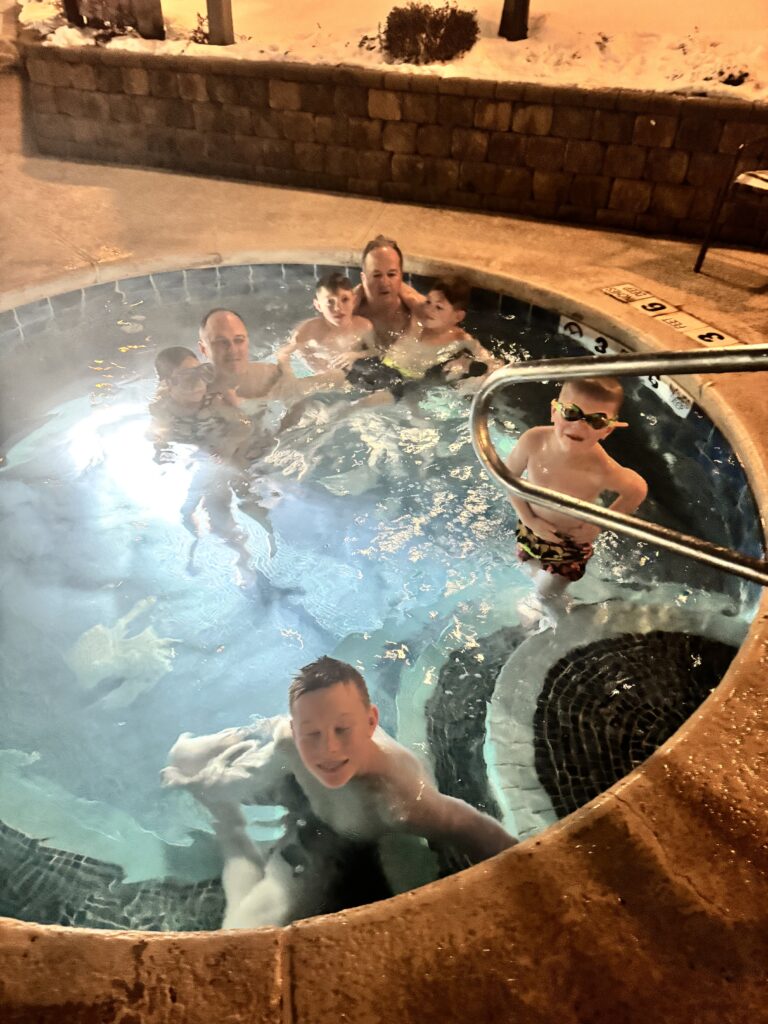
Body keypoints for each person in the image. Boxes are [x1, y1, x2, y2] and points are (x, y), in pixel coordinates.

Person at [162, 656, 516, 928]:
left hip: (344, 838)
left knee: (245, 929)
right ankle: (220, 802)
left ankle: (229, 829)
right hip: (309, 796)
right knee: (189, 763)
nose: (327, 749)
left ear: (371, 721)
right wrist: (208, 785)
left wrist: (525, 879)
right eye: (312, 733)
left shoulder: (399, 801)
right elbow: (254, 777)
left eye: (342, 729)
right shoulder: (289, 741)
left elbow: (475, 829)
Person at [505, 376, 648, 619]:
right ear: (554, 411)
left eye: (596, 420)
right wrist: (529, 519)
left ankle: (558, 622)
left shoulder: (601, 470)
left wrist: (596, 525)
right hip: (531, 527)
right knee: (529, 566)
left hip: (568, 543)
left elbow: (637, 490)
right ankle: (557, 594)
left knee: (545, 595)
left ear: (607, 429)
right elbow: (507, 478)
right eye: (571, 412)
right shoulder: (533, 441)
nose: (580, 426)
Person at [148, 346, 269, 577]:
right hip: (202, 458)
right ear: (168, 383)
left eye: (202, 373)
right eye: (187, 378)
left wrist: (226, 448)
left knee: (244, 494)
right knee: (205, 506)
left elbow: (243, 426)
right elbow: (158, 436)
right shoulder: (162, 409)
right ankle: (243, 559)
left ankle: (258, 555)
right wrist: (161, 451)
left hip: (230, 451)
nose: (197, 384)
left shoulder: (213, 402)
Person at [344, 276, 500, 406]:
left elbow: (494, 365)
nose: (429, 310)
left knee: (355, 407)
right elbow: (395, 282)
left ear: (458, 317)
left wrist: (474, 377)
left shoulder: (462, 339)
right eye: (428, 302)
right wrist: (353, 295)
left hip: (404, 385)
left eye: (438, 307)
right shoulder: (418, 315)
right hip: (378, 365)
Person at [276, 272, 377, 375]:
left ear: (354, 301)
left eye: (345, 300)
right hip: (317, 377)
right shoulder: (307, 331)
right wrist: (290, 375)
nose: (338, 308)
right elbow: (283, 353)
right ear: (318, 305)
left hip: (350, 378)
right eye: (330, 302)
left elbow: (376, 352)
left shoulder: (364, 326)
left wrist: (355, 355)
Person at [354, 236, 425, 350]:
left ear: (401, 276)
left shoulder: (414, 310)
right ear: (363, 278)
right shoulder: (350, 312)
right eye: (376, 275)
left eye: (391, 274)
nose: (384, 282)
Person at [198, 308, 281, 404]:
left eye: (239, 340)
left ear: (247, 342)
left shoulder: (271, 377)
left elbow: (299, 399)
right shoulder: (192, 393)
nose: (233, 350)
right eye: (222, 342)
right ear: (203, 349)